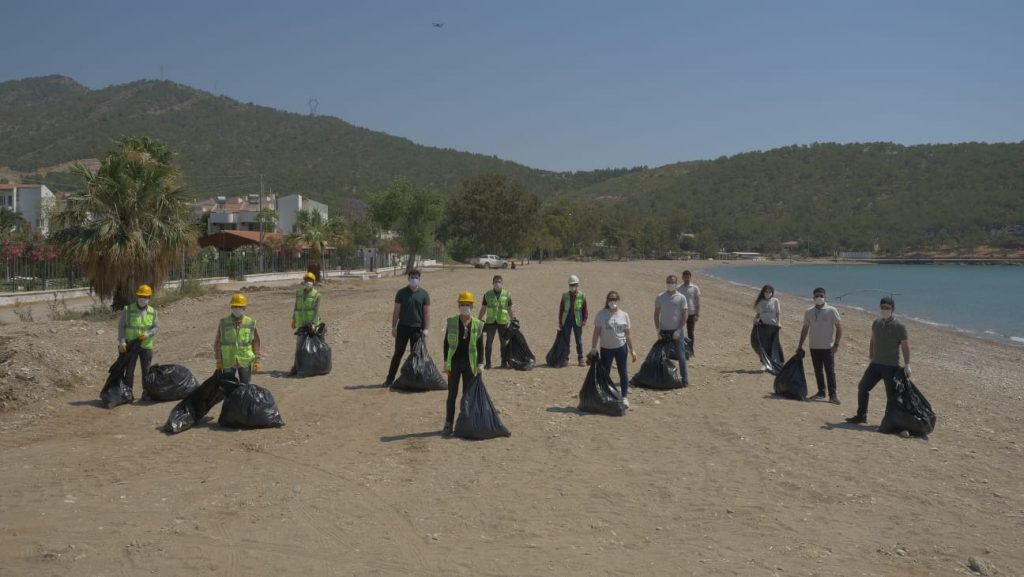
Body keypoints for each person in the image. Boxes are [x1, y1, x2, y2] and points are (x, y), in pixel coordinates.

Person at [846, 296, 910, 424]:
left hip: (891, 367)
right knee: (863, 387)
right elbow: (873, 340)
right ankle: (861, 415)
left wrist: (907, 364)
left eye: (887, 308)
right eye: (882, 307)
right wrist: (871, 356)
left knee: (891, 395)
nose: (885, 310)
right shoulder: (877, 323)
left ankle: (889, 421)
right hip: (875, 364)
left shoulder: (900, 326)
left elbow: (905, 345)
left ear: (893, 309)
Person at [441, 291, 485, 436]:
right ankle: (448, 424)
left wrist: (480, 363)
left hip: (470, 365)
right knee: (452, 395)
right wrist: (446, 362)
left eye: (467, 304)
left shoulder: (478, 324)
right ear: (458, 305)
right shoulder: (452, 322)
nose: (465, 307)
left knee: (467, 396)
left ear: (472, 306)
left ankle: (464, 424)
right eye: (462, 304)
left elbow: (480, 345)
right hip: (454, 364)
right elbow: (446, 344)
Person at [589, 291, 637, 407]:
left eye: (615, 299)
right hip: (606, 349)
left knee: (623, 372)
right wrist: (593, 347)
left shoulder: (624, 315)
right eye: (610, 299)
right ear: (607, 300)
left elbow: (628, 334)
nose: (612, 301)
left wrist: (632, 349)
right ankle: (605, 394)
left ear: (618, 300)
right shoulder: (601, 314)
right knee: (605, 373)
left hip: (621, 348)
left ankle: (624, 397)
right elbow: (596, 332)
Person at [384, 269, 431, 387]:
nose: (414, 279)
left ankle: (415, 381)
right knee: (398, 354)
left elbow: (426, 313)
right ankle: (390, 379)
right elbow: (396, 311)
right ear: (408, 278)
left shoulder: (424, 294)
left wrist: (426, 329)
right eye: (412, 277)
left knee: (416, 355)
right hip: (403, 328)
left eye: (416, 278)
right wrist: (394, 326)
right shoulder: (401, 293)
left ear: (419, 279)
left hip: (417, 329)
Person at [797, 287, 843, 404]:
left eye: (821, 296)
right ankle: (821, 392)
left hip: (828, 347)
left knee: (830, 371)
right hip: (814, 346)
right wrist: (800, 344)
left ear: (825, 297)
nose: (819, 298)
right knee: (818, 370)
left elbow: (839, 328)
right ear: (813, 297)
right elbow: (805, 329)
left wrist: (836, 344)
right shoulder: (809, 312)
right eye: (817, 296)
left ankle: (833, 395)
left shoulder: (832, 310)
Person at [117, 284, 159, 394]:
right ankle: (128, 393)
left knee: (146, 371)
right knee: (129, 371)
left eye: (145, 297)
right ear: (137, 296)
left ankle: (146, 393)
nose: (142, 299)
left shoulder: (153, 312)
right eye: (140, 296)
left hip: (146, 345)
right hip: (131, 346)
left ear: (149, 297)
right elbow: (121, 327)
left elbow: (156, 327)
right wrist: (122, 341)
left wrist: (148, 334)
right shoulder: (128, 309)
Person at [214, 293, 261, 385]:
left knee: (245, 387)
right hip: (228, 360)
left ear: (244, 307)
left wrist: (257, 361)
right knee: (228, 387)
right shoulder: (224, 322)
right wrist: (219, 360)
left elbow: (256, 342)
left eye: (239, 306)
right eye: (234, 306)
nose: (237, 308)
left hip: (245, 360)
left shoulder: (250, 322)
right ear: (231, 307)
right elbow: (218, 342)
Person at [654, 274, 689, 385]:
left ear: (676, 283)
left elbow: (685, 315)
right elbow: (656, 314)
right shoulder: (660, 297)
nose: (670, 284)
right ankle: (665, 378)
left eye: (672, 282)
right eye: (668, 282)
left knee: (681, 356)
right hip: (664, 331)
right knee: (663, 356)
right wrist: (658, 330)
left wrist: (679, 330)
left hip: (677, 331)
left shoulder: (681, 298)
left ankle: (684, 379)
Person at [478, 274, 513, 369]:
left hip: (503, 322)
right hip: (490, 322)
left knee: (504, 343)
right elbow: (483, 308)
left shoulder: (507, 294)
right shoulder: (487, 295)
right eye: (496, 282)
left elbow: (509, 308)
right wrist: (479, 319)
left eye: (499, 282)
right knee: (488, 343)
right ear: (492, 283)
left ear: (502, 283)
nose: (497, 283)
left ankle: (504, 363)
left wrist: (513, 319)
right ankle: (488, 363)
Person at [289, 272, 321, 376]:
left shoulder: (316, 295)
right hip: (301, 325)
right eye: (306, 280)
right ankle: (296, 367)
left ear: (313, 282)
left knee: (314, 347)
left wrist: (313, 324)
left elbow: (316, 311)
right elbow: (296, 307)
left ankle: (314, 367)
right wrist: (294, 319)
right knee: (299, 347)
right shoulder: (298, 293)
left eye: (310, 280)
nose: (308, 282)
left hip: (312, 325)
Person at [558, 275, 589, 366]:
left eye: (574, 285)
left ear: (577, 285)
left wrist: (585, 319)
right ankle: (566, 358)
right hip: (566, 320)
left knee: (578, 340)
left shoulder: (582, 295)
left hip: (577, 320)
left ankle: (581, 358)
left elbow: (585, 309)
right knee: (566, 340)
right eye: (571, 285)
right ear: (569, 285)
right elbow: (561, 309)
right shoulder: (565, 296)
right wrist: (560, 322)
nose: (572, 286)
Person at [754, 284, 782, 371]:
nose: (768, 293)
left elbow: (778, 313)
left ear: (772, 293)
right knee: (763, 346)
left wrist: (778, 323)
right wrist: (755, 319)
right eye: (766, 291)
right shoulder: (760, 302)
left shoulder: (775, 301)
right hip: (763, 326)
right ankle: (764, 363)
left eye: (770, 292)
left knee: (773, 345)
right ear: (763, 292)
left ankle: (776, 362)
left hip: (773, 326)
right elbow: (758, 314)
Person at [680, 270, 701, 355]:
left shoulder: (695, 288)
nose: (686, 279)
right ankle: (680, 349)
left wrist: (697, 314)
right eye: (685, 277)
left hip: (691, 313)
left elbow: (697, 302)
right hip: (681, 313)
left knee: (690, 332)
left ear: (690, 277)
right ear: (682, 278)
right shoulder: (679, 288)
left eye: (688, 277)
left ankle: (691, 350)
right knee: (679, 331)